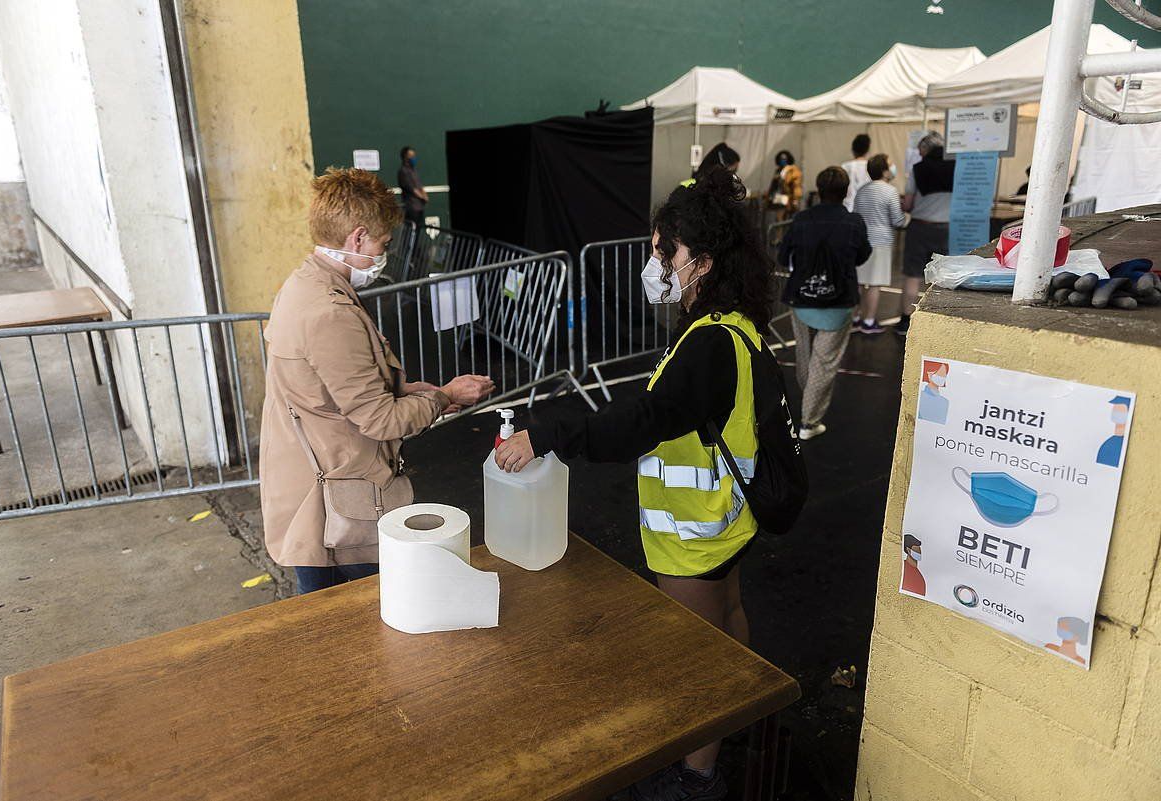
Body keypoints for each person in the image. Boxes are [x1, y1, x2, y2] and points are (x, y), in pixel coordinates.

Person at [494, 170, 803, 801]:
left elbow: (641, 422)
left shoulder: (708, 342)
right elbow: (665, 406)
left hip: (692, 534)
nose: (652, 263)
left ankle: (697, 776)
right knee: (726, 623)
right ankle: (735, 718)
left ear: (703, 263)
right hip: (723, 520)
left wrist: (548, 430)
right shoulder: (729, 326)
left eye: (665, 251)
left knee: (692, 659)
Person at [260, 168, 494, 594]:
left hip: (307, 482)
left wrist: (410, 392)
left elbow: (327, 391)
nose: (384, 253)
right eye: (383, 244)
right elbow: (380, 421)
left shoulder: (301, 284)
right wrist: (444, 396)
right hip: (333, 502)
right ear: (358, 237)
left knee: (324, 614)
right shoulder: (330, 313)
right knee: (358, 617)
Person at [779, 167, 870, 440]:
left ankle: (808, 401)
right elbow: (862, 255)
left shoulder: (801, 220)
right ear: (846, 192)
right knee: (825, 360)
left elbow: (784, 256)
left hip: (801, 297)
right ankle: (808, 421)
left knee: (805, 355)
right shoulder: (854, 222)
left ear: (818, 190)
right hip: (839, 300)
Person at [898, 132, 953, 336]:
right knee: (943, 276)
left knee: (912, 275)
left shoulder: (917, 169)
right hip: (947, 228)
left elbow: (909, 204)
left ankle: (905, 321)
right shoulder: (957, 168)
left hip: (920, 228)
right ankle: (939, 321)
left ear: (926, 150)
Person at [851, 154, 907, 334]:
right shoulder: (890, 191)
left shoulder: (862, 190)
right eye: (890, 164)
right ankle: (869, 322)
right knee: (874, 283)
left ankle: (855, 318)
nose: (893, 168)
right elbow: (898, 220)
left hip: (860, 241)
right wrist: (908, 217)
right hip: (881, 242)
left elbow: (856, 214)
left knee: (859, 282)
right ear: (884, 171)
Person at [397, 146, 428, 229]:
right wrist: (422, 197)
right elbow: (411, 188)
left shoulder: (413, 170)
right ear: (405, 158)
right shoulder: (403, 171)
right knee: (411, 231)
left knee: (419, 229)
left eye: (414, 156)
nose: (413, 158)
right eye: (411, 156)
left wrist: (425, 195)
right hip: (411, 207)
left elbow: (419, 186)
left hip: (419, 207)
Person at [766, 150, 802, 221]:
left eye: (784, 159)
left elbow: (796, 186)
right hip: (778, 198)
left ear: (788, 159)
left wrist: (795, 199)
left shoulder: (792, 170)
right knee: (779, 219)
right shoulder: (778, 170)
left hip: (788, 198)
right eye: (781, 159)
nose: (782, 160)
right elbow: (773, 185)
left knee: (784, 219)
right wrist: (769, 195)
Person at [841, 133, 871, 211]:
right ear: (868, 150)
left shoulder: (844, 166)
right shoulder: (872, 167)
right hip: (867, 210)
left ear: (853, 149)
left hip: (847, 208)